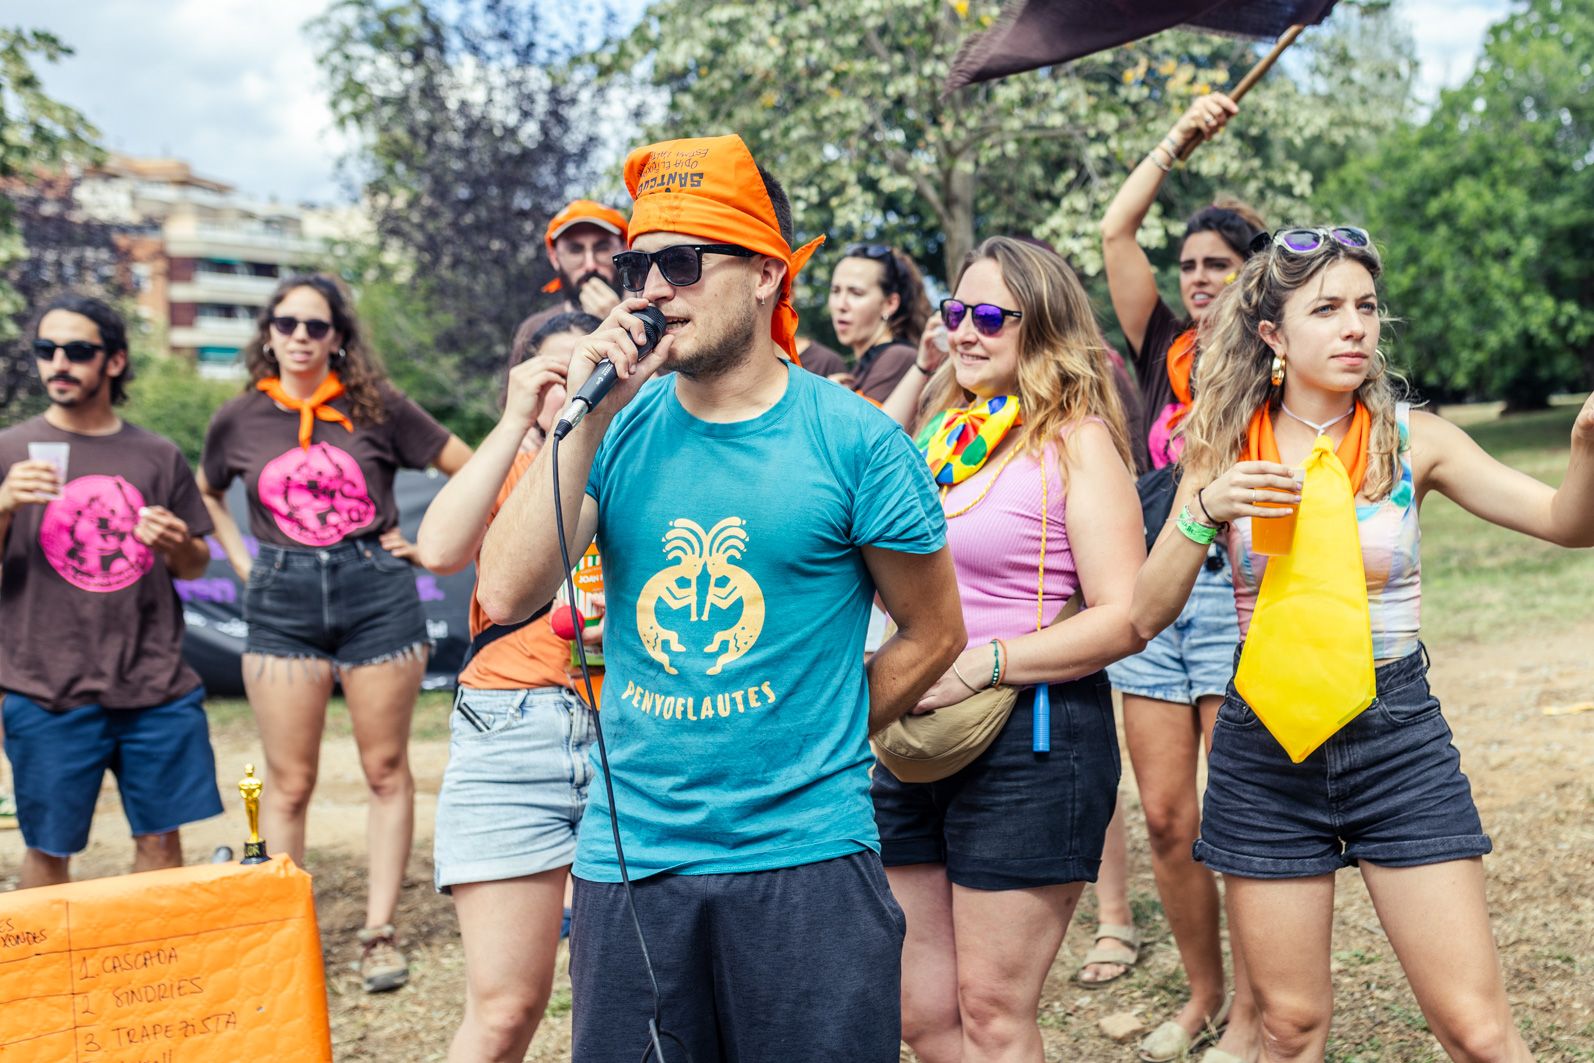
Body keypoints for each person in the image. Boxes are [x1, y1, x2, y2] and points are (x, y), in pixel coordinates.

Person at [476, 133, 964, 1062]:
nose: (653, 290)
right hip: (634, 860)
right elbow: (504, 591)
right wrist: (590, 410)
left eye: (683, 262)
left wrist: (823, 734)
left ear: (768, 275)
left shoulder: (856, 440)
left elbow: (936, 630)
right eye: (636, 267)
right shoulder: (615, 426)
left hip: (809, 860)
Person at [1135, 224, 1594, 1062]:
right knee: (1291, 1027)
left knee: (1478, 1030)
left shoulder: (1417, 440)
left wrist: (1585, 447)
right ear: (1273, 334)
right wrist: (1204, 507)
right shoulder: (1222, 443)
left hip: (1396, 740)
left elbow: (1569, 523)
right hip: (1264, 745)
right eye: (1328, 309)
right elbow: (1143, 614)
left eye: (1367, 307)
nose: (1356, 326)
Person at [876, 236, 1147, 1061]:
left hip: (1029, 739)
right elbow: (852, 476)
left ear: (1046, 328)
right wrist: (922, 374)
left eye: (990, 316)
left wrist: (984, 662)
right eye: (955, 312)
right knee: (920, 1014)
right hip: (904, 743)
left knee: (992, 1012)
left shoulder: (1076, 440)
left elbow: (1125, 615)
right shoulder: (939, 439)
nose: (966, 330)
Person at [197, 274, 471, 992]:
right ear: (268, 332)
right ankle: (287, 931)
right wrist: (239, 557)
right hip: (280, 599)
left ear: (338, 338)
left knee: (385, 770)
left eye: (315, 326)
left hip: (376, 593)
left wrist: (429, 544)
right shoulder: (238, 419)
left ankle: (379, 930)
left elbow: (469, 468)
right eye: (285, 323)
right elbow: (204, 489)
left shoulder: (378, 406)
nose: (298, 337)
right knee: (287, 784)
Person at [1098, 90, 1264, 1061]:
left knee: (1241, 811)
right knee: (1166, 816)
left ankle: (1256, 1003)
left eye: (1218, 264)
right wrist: (1177, 139)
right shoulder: (1164, 345)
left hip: (1238, 597)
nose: (1198, 277)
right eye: (1191, 264)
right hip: (1152, 596)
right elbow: (1118, 228)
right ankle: (1204, 995)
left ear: (1253, 275)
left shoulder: (1276, 357)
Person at [416, 310, 600, 1062]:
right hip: (510, 722)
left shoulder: (636, 461)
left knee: (629, 995)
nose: (572, 389)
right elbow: (438, 547)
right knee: (505, 1010)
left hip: (630, 726)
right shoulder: (512, 468)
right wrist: (517, 419)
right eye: (555, 374)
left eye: (588, 370)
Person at [0, 294, 222, 888]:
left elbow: (196, 565)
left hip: (153, 685)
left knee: (159, 839)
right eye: (46, 350)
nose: (58, 364)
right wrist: (3, 505)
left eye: (77, 350)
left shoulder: (156, 454)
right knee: (48, 848)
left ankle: (151, 976)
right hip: (46, 689)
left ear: (115, 361)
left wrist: (174, 541)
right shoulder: (9, 449)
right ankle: (41, 979)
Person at [828, 242, 933, 401]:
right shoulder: (867, 363)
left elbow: (862, 426)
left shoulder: (898, 358)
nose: (841, 305)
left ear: (889, 304)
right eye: (835, 291)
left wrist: (828, 399)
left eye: (856, 293)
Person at [522, 199, 629, 336]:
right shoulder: (534, 330)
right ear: (554, 258)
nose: (590, 265)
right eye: (575, 250)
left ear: (624, 250)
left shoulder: (652, 315)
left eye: (602, 248)